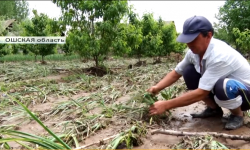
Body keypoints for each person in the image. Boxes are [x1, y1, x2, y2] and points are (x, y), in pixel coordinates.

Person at [147, 15, 250, 130]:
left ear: (209, 35)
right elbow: (177, 72)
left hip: (245, 94)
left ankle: (237, 115)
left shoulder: (220, 55)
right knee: (189, 72)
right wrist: (156, 88)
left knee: (223, 86)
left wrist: (166, 105)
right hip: (225, 89)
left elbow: (201, 92)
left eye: (193, 39)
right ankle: (214, 109)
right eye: (187, 39)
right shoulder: (193, 52)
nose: (188, 43)